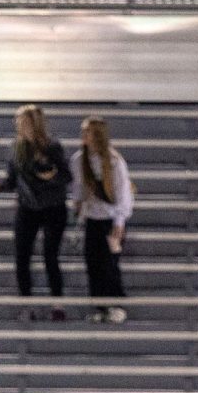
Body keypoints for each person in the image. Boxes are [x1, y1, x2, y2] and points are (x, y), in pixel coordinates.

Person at [0, 104, 71, 320]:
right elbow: (12, 180)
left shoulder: (52, 147)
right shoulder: (17, 148)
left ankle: (57, 304)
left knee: (51, 256)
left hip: (53, 207)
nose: (19, 126)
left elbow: (67, 176)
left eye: (22, 122)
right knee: (22, 257)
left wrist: (48, 177)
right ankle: (27, 305)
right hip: (28, 207)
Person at [71, 115, 133, 324]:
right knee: (93, 262)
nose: (84, 136)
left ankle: (116, 303)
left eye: (88, 132)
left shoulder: (114, 162)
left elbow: (123, 194)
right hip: (92, 219)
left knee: (109, 263)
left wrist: (119, 222)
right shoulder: (79, 160)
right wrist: (78, 209)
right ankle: (99, 304)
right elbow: (78, 190)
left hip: (110, 220)